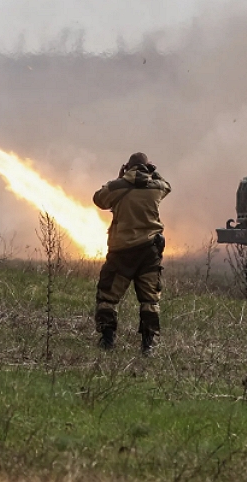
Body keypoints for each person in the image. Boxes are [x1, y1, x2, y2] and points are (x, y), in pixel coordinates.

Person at [92, 151, 170, 353]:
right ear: (147, 167)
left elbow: (99, 199)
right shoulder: (156, 187)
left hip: (121, 251)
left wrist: (120, 178)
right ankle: (148, 345)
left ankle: (107, 340)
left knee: (108, 296)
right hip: (149, 252)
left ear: (127, 167)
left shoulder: (118, 187)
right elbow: (167, 186)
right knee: (150, 299)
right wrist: (154, 172)